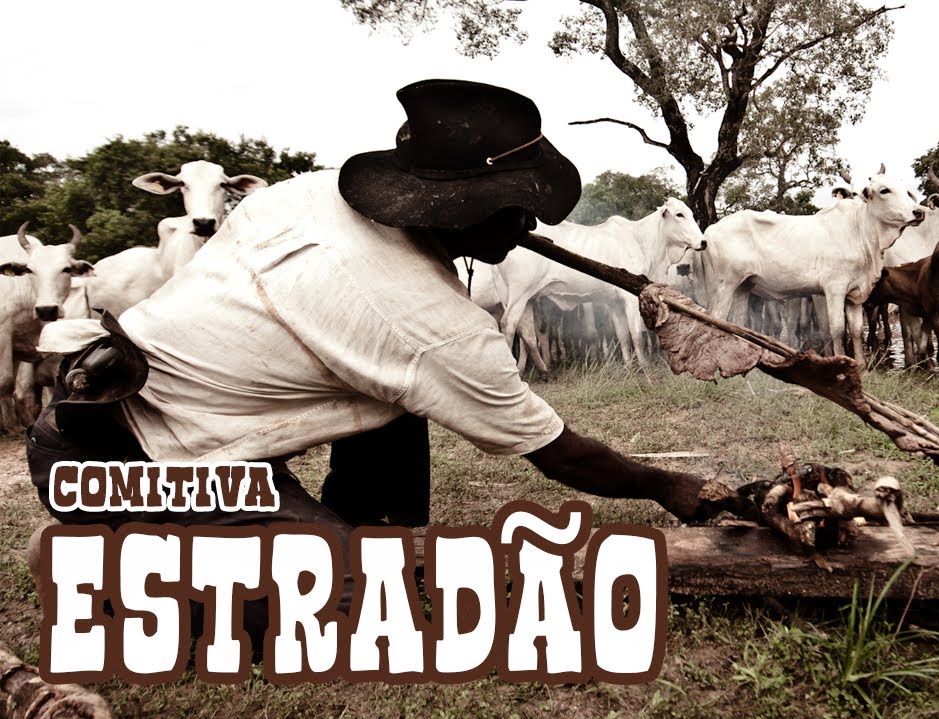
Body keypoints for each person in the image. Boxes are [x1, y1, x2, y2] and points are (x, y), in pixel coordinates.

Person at [27, 78, 738, 646]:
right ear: (461, 208)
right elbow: (562, 457)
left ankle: (352, 527)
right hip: (127, 461)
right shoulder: (424, 321)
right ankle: (110, 568)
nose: (533, 225)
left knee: (396, 432)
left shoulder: (310, 193)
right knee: (352, 601)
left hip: (169, 426)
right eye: (517, 206)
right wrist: (670, 486)